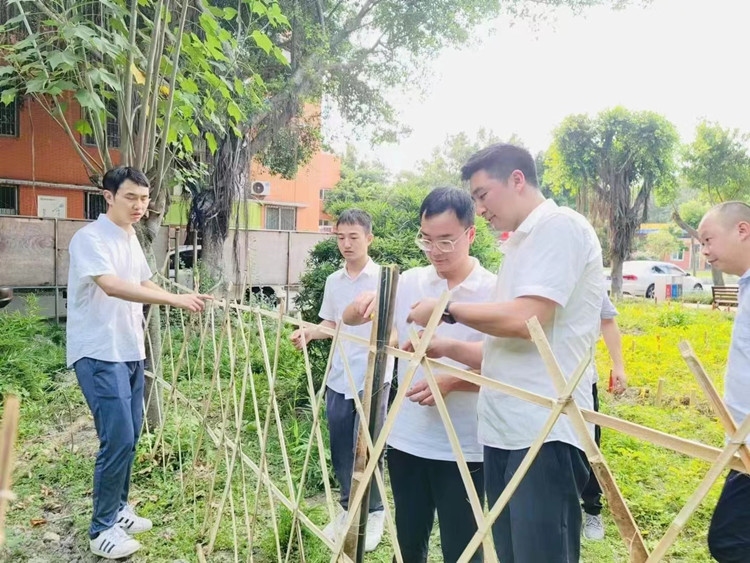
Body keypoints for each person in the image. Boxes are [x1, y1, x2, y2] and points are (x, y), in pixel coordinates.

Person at [406, 144, 603, 562]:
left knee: (539, 554)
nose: (479, 208)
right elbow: (504, 349)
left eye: (481, 195)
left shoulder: (558, 226)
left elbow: (526, 321)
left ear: (516, 179)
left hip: (543, 428)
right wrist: (448, 347)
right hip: (505, 429)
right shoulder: (519, 246)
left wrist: (445, 312)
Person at [343, 188, 495, 562]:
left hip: (465, 444)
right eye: (426, 240)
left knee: (463, 548)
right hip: (408, 437)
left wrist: (453, 382)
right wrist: (362, 308)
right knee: (407, 543)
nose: (435, 251)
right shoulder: (411, 280)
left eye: (446, 241)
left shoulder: (493, 290)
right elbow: (373, 328)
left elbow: (502, 364)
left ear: (470, 234)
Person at [67, 166, 211, 559]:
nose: (139, 205)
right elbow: (111, 285)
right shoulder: (89, 238)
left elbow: (144, 282)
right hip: (98, 352)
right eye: (131, 197)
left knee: (130, 436)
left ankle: (118, 509)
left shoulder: (129, 236)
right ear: (108, 195)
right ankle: (101, 530)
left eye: (144, 198)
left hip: (129, 349)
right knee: (119, 439)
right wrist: (174, 299)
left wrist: (184, 298)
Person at [289, 209, 391, 552]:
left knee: (368, 448)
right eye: (340, 237)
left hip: (373, 377)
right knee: (340, 448)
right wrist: (309, 333)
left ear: (369, 238)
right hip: (339, 377)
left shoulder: (384, 280)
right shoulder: (334, 282)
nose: (346, 244)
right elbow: (332, 324)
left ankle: (373, 513)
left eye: (354, 237)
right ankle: (349, 508)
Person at [698, 201, 750, 563]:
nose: (704, 251)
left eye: (708, 240)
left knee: (729, 540)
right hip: (743, 443)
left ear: (742, 230)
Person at [581, 293, 627, 541]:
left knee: (590, 448)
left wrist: (618, 366)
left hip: (583, 382)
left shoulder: (590, 278)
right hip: (540, 385)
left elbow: (607, 320)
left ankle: (592, 509)